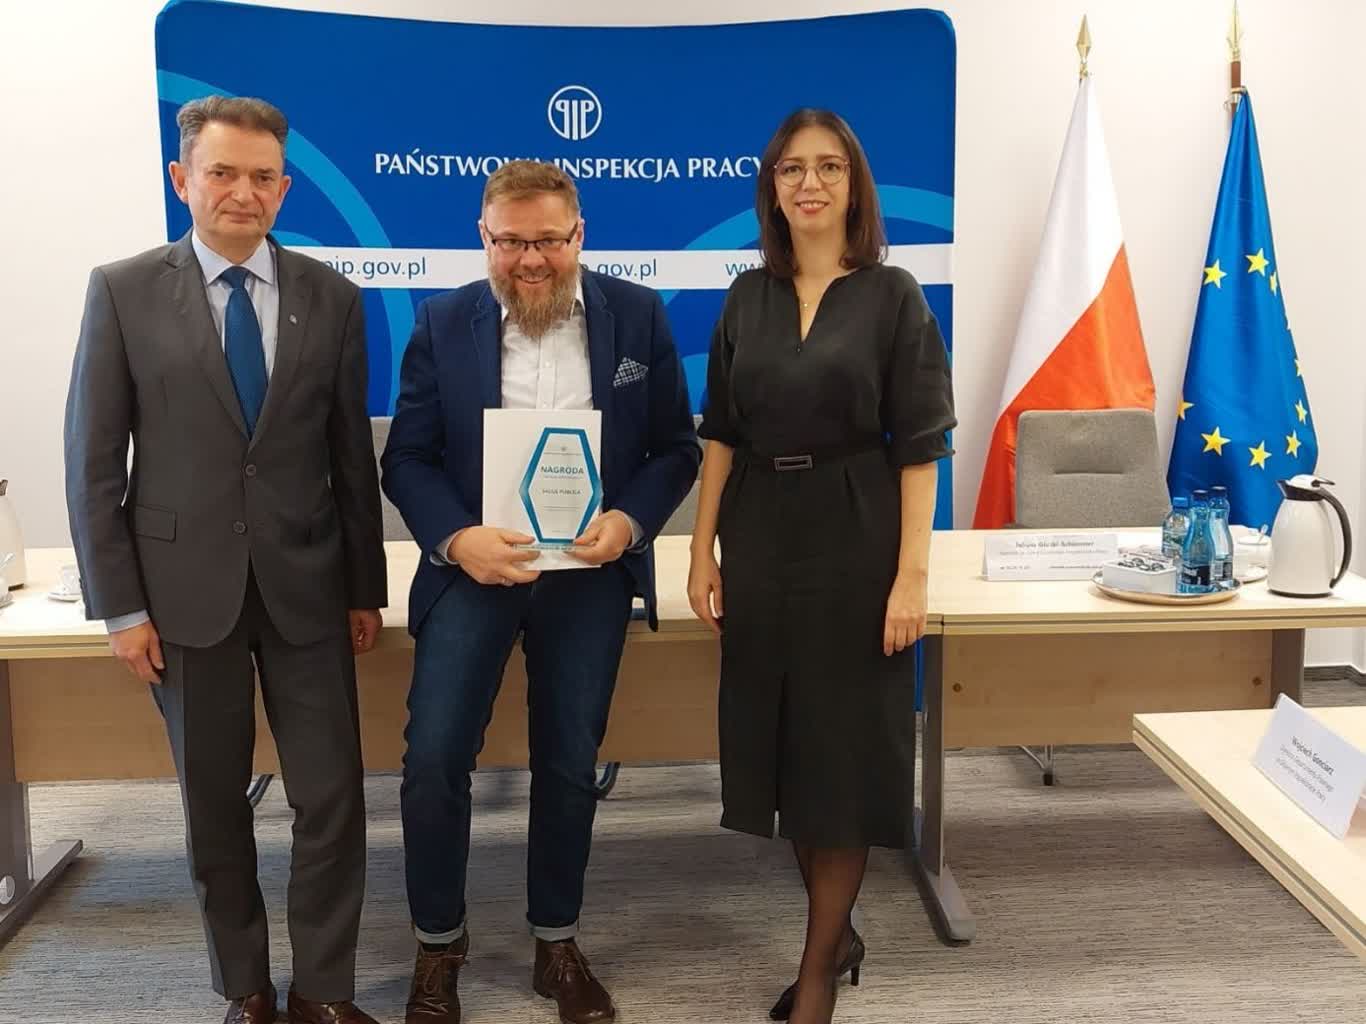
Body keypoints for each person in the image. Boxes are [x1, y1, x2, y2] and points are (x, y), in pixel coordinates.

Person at [64, 96, 388, 1024]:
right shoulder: (123, 290)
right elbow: (93, 460)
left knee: (332, 798)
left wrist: (364, 587)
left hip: (308, 587)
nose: (243, 192)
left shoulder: (332, 296)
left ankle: (322, 991)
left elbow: (349, 459)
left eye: (262, 177)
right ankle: (245, 988)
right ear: (183, 179)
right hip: (180, 595)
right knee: (214, 804)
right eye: (222, 173)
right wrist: (121, 607)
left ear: (284, 188)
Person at [380, 160, 700, 1024]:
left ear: (579, 236)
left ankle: (556, 942)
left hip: (588, 574)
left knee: (567, 762)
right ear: (483, 237)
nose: (530, 260)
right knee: (433, 760)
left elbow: (677, 448)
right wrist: (459, 539)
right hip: (476, 571)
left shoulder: (637, 315)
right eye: (511, 241)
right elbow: (406, 459)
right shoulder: (442, 321)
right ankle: (438, 945)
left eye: (549, 241)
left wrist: (629, 522)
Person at [686, 109, 956, 1024]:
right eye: (792, 168)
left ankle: (815, 978)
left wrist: (911, 575)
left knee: (840, 757)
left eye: (829, 167)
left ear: (854, 185)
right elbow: (721, 433)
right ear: (771, 186)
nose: (810, 183)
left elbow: (920, 447)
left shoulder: (894, 295)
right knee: (788, 753)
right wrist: (702, 549)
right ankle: (835, 937)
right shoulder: (745, 297)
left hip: (857, 532)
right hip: (761, 531)